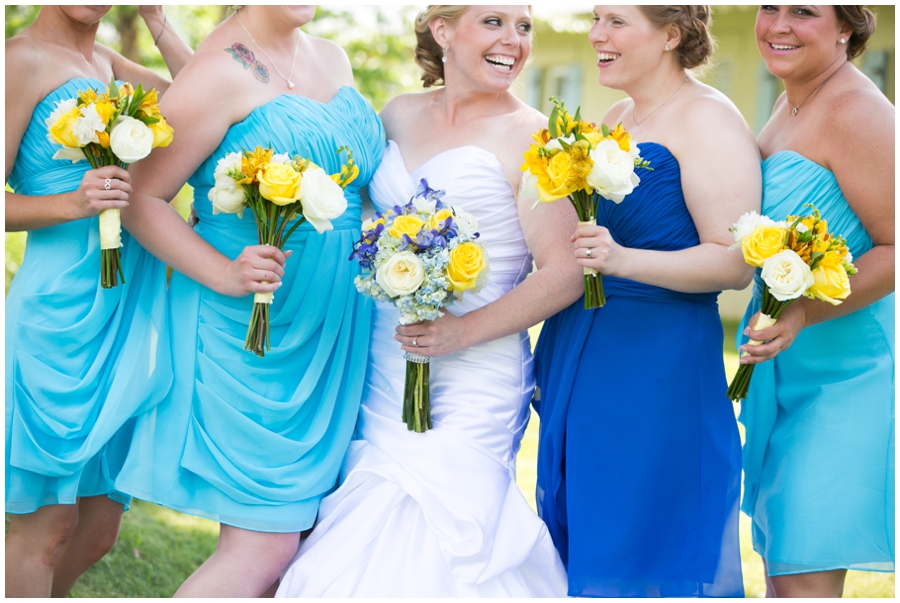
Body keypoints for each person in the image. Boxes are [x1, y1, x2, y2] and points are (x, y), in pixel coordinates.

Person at [275, 5, 580, 597]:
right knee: (367, 504)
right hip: (383, 360)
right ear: (442, 30)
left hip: (477, 366)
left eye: (523, 28)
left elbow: (564, 273)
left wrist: (462, 333)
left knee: (441, 520)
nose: (512, 41)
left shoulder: (536, 137)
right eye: (493, 22)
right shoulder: (396, 114)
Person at [110, 5, 384, 597]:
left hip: (333, 330)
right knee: (263, 548)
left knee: (303, 542)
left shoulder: (331, 57)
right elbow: (140, 199)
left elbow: (355, 189)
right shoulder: (215, 71)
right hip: (250, 329)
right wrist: (225, 273)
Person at [534, 5, 761, 598]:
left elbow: (734, 263)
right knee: (585, 527)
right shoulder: (616, 116)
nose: (596, 36)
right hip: (585, 354)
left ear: (670, 33)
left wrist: (623, 261)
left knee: (644, 538)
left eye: (616, 21)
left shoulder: (710, 120)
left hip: (657, 368)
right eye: (596, 19)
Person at [4, 6, 191, 598]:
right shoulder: (19, 60)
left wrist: (158, 21)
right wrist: (72, 204)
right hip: (59, 313)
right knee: (49, 523)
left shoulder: (107, 62)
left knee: (99, 529)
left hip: (126, 314)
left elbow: (210, 97)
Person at [735, 5, 894, 597]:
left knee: (803, 577)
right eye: (768, 6)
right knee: (785, 575)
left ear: (847, 27)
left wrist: (801, 311)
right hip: (788, 368)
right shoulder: (789, 102)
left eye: (803, 11)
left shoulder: (855, 110)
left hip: (850, 376)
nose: (778, 24)